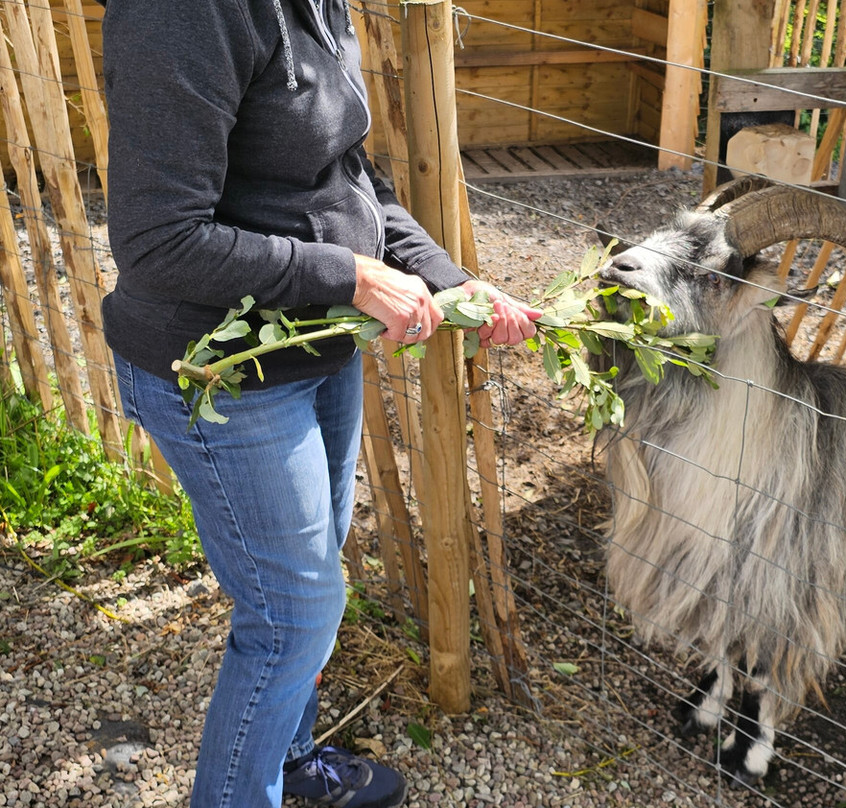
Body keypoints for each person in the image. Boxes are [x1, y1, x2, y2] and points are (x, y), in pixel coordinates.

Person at [98, 1, 541, 806]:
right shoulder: (182, 14)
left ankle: (289, 756)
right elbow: (158, 239)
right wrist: (353, 276)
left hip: (314, 344)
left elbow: (347, 176)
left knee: (304, 595)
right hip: (220, 372)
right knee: (293, 615)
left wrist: (450, 280)